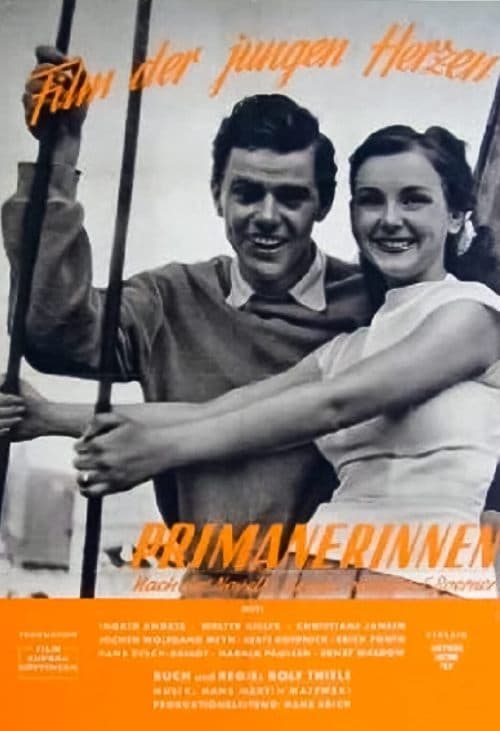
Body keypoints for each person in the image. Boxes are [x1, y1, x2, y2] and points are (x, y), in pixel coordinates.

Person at [71, 125, 500, 598]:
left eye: (414, 200)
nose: (390, 219)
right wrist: (47, 416)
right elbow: (213, 411)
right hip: (307, 578)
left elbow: (336, 404)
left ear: (456, 215)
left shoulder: (474, 315)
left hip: (424, 587)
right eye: (371, 200)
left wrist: (162, 450)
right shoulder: (348, 348)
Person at [2, 47, 371, 595]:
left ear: (322, 205)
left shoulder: (373, 304)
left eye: (291, 197)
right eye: (247, 193)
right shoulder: (169, 298)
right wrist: (59, 155)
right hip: (210, 598)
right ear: (217, 195)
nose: (267, 216)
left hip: (333, 599)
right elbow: (51, 335)